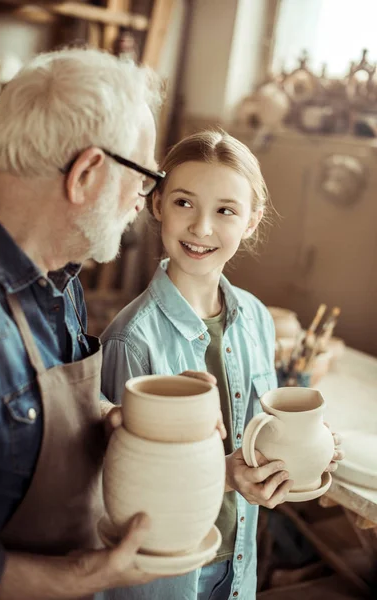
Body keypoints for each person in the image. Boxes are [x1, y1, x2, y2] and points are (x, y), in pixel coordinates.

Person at [0, 47, 219, 600]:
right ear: (85, 172)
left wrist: (121, 420)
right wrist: (81, 577)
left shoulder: (56, 271)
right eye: (143, 176)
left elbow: (23, 430)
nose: (145, 199)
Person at [101, 129, 343, 600]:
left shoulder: (256, 318)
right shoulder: (130, 341)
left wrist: (304, 446)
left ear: (252, 221)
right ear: (157, 205)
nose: (202, 228)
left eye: (226, 210)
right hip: (163, 581)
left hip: (239, 569)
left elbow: (260, 432)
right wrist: (223, 474)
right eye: (184, 203)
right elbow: (114, 489)